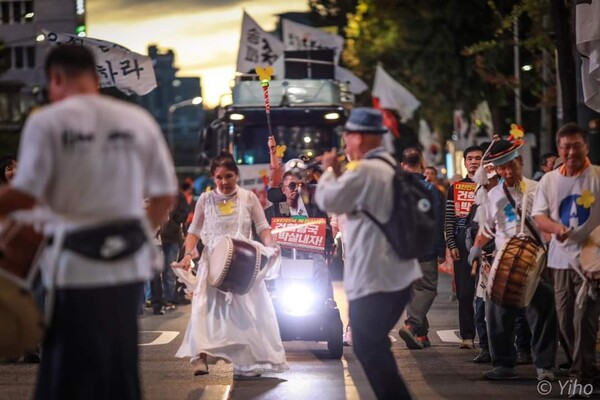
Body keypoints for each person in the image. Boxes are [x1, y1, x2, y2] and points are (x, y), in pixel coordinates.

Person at [0, 45, 177, 400]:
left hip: (73, 266)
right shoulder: (136, 120)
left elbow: (25, 195)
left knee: (65, 369)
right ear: (95, 79)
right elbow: (164, 194)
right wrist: (138, 234)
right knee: (120, 366)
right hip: (128, 264)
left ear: (55, 79)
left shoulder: (47, 121)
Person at [315, 108, 422, 400]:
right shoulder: (386, 165)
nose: (345, 143)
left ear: (358, 137)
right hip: (394, 274)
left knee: (367, 345)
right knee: (372, 345)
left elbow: (326, 198)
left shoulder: (363, 170)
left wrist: (327, 170)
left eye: (347, 136)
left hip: (377, 277)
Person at [173, 152, 288, 379]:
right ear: (213, 178)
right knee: (204, 310)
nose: (224, 182)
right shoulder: (204, 200)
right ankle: (200, 357)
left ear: (236, 175)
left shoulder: (249, 197)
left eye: (228, 176)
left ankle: (245, 362)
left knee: (246, 314)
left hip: (243, 264)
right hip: (212, 266)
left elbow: (262, 226)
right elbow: (193, 232)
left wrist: (271, 244)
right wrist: (188, 255)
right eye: (218, 177)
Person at [468, 137, 557, 381]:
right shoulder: (493, 195)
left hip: (535, 258)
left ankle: (544, 365)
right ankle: (504, 363)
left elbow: (548, 223)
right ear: (496, 169)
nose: (507, 172)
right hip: (502, 258)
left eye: (511, 166)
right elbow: (486, 228)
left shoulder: (538, 189)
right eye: (501, 168)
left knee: (543, 308)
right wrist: (476, 248)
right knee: (496, 312)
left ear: (520, 162)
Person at [532, 123, 600, 391]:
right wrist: (556, 228)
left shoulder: (596, 177)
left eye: (576, 146)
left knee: (584, 318)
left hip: (591, 260)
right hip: (560, 260)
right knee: (564, 320)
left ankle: (580, 376)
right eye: (565, 147)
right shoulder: (549, 180)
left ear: (586, 146)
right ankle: (587, 366)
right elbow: (539, 216)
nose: (571, 152)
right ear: (559, 149)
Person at [397, 148, 445, 350]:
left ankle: (421, 334)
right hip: (424, 248)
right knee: (426, 289)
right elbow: (436, 221)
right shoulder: (430, 189)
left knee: (413, 290)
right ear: (422, 164)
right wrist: (440, 249)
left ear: (402, 165)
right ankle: (412, 324)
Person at [445, 145, 484, 348]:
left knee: (488, 292)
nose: (474, 161)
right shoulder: (456, 188)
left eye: (478, 158)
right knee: (465, 293)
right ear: (465, 162)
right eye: (470, 158)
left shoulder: (492, 185)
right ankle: (467, 337)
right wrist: (452, 243)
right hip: (462, 242)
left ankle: (490, 338)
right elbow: (449, 219)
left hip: (487, 242)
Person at [151, 182, 191, 314]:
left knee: (169, 270)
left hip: (172, 238)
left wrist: (173, 223)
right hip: (157, 238)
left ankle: (169, 299)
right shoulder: (154, 194)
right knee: (156, 270)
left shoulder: (178, 196)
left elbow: (184, 213)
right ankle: (156, 299)